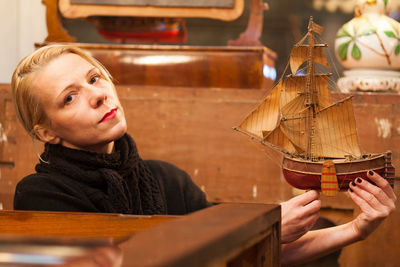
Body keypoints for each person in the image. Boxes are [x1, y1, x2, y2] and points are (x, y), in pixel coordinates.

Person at [11, 45, 396, 266]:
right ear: (47, 132)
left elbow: (242, 258)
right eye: (69, 97)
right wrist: (263, 224)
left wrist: (355, 229)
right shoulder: (42, 195)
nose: (97, 94)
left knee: (324, 224)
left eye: (94, 78)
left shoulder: (165, 179)